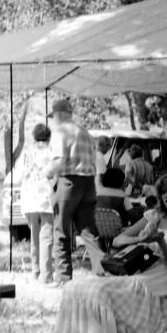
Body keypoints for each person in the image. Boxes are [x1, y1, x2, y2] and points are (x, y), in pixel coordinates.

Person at [46, 169, 167, 333]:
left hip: (160, 276)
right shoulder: (154, 216)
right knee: (78, 287)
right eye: (164, 192)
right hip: (137, 267)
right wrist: (141, 239)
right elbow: (118, 240)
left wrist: (160, 242)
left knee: (101, 291)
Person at [47, 97, 101, 283]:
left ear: (59, 115)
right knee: (88, 231)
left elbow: (60, 160)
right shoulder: (85, 132)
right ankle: (100, 271)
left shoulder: (60, 131)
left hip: (68, 182)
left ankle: (63, 278)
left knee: (61, 231)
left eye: (52, 116)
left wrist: (46, 173)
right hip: (88, 184)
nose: (52, 120)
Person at [19, 123, 56, 283]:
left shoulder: (27, 151)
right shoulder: (52, 151)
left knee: (34, 236)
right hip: (46, 196)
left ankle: (35, 270)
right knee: (46, 236)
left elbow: (20, 172)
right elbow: (56, 172)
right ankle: (46, 275)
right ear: (49, 136)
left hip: (28, 196)